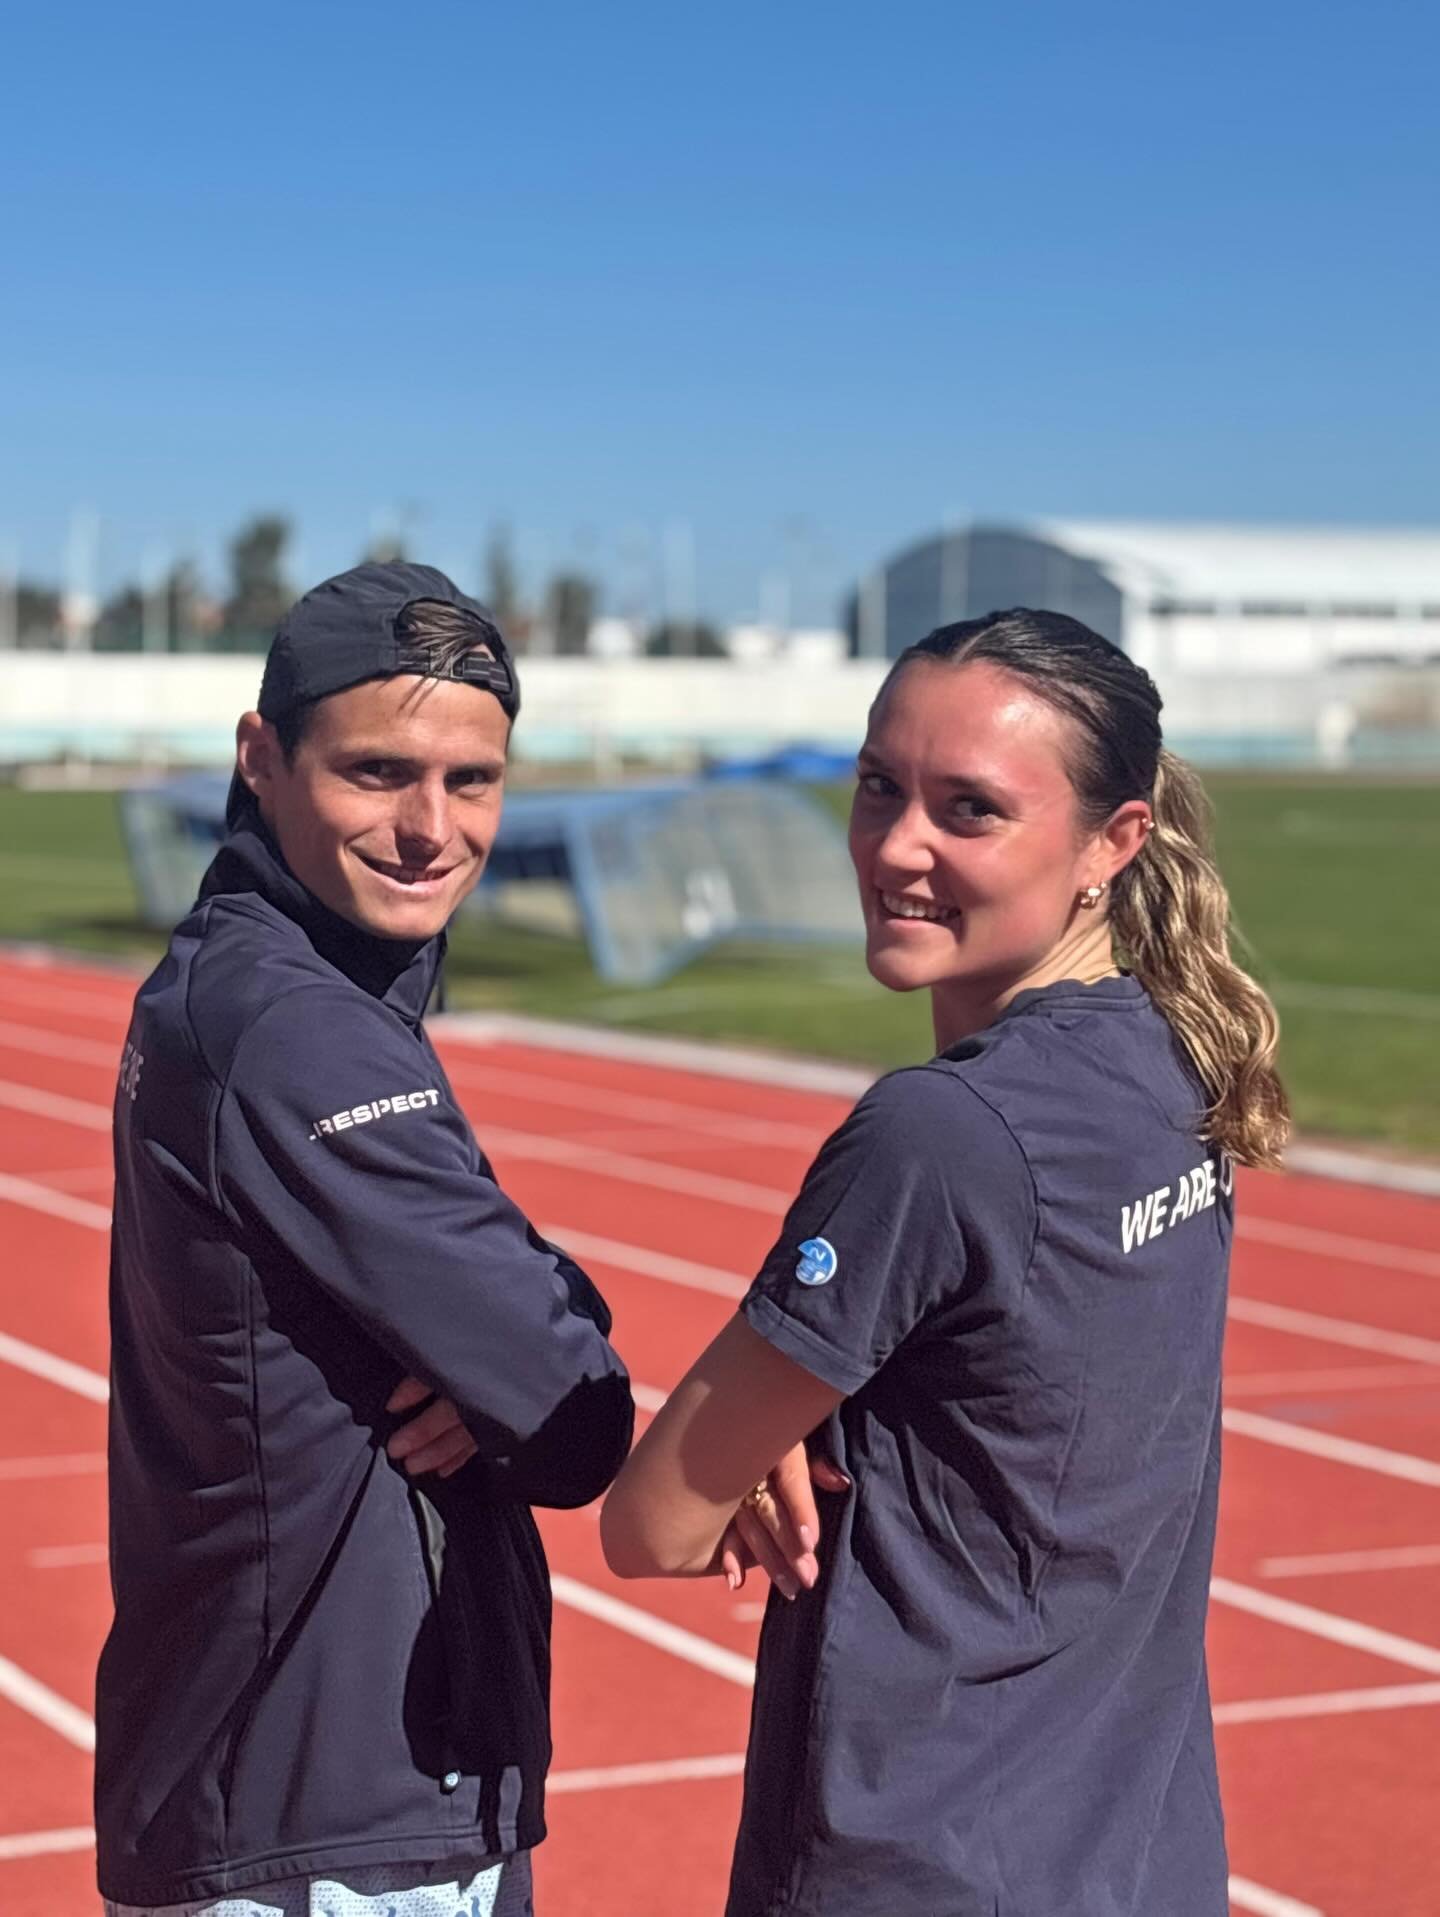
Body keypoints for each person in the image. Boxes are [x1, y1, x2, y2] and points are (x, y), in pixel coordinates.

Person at [601, 609, 1288, 1917]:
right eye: (877, 787)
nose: (895, 846)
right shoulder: (1177, 1056)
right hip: (1138, 1862)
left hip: (914, 1860)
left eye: (967, 809)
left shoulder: (940, 1130)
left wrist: (766, 1439)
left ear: (1113, 842)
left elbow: (652, 1523)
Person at [97, 562, 634, 1917]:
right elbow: (574, 1419)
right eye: (378, 771)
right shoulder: (302, 1027)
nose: (429, 826)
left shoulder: (266, 982)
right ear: (262, 760)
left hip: (289, 1783)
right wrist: (538, 1343)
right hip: (330, 1816)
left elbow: (514, 1312)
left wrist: (523, 1319)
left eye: (473, 780)